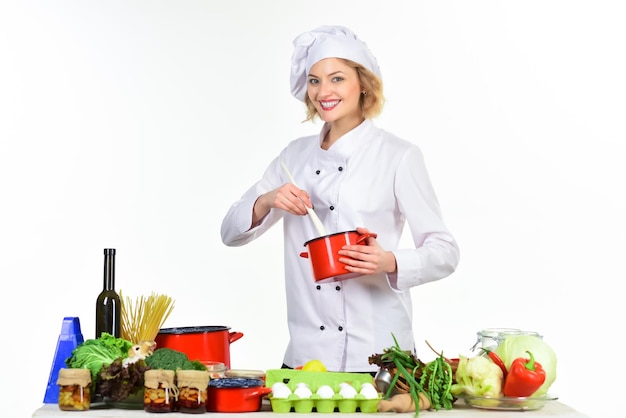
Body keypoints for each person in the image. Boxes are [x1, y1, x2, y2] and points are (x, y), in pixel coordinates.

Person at [221, 25, 460, 373]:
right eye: (314, 81)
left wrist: (389, 261)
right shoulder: (294, 157)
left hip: (379, 357)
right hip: (306, 359)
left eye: (336, 78)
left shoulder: (398, 155)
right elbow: (229, 233)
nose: (323, 91)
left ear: (363, 83)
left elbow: (445, 251)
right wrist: (267, 200)